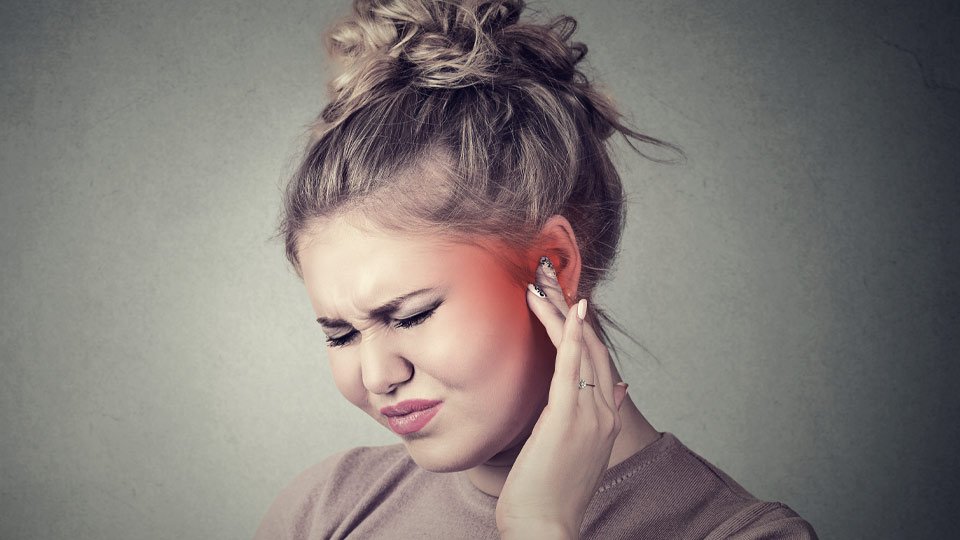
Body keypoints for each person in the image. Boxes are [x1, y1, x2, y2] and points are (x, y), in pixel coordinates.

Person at [255, 0, 819, 538]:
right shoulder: (326, 509)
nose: (377, 376)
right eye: (341, 333)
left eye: (410, 316)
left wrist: (540, 528)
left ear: (554, 266)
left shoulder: (741, 534)